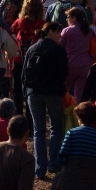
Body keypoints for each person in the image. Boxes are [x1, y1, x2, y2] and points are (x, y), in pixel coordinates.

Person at [23, 22, 68, 180]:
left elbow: (24, 75)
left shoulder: (32, 49)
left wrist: (26, 93)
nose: (60, 35)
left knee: (39, 130)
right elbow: (64, 73)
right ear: (50, 31)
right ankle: (53, 163)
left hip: (33, 93)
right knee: (56, 128)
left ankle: (39, 168)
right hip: (54, 93)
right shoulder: (59, 50)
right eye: (58, 32)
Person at [49, 102, 96, 190]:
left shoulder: (72, 133)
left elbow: (62, 157)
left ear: (79, 118)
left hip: (71, 181)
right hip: (93, 183)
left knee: (57, 181)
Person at [10, 0, 46, 121]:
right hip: (36, 63)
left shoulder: (18, 23)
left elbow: (10, 39)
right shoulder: (43, 25)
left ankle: (18, 119)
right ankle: (31, 122)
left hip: (18, 60)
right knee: (32, 92)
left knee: (17, 91)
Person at [59, 7, 95, 103]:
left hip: (70, 65)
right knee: (78, 97)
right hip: (85, 66)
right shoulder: (89, 30)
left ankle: (65, 115)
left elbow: (60, 47)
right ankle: (77, 115)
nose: (66, 19)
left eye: (68, 17)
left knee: (63, 92)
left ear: (74, 18)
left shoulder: (67, 31)